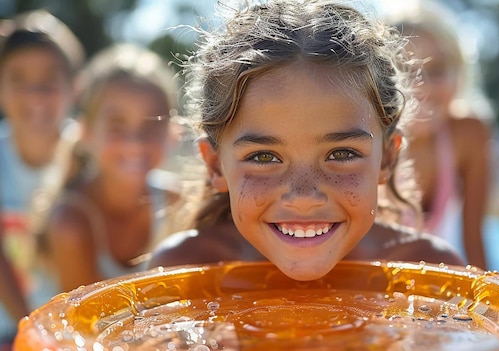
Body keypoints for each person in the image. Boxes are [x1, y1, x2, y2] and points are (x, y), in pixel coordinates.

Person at [148, 0, 464, 280]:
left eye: (341, 154)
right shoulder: (183, 273)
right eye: (263, 157)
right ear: (216, 165)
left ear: (388, 158)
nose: (303, 197)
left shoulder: (429, 275)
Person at [41, 43, 180, 293]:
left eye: (152, 124)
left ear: (173, 133)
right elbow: (87, 324)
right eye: (117, 125)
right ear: (85, 132)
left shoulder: (179, 203)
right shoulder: (70, 222)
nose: (135, 142)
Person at [380, 0, 493, 269]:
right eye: (403, 69)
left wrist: (493, 309)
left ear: (459, 74)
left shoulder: (468, 136)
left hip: (435, 299)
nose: (422, 86)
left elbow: (475, 243)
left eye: (437, 70)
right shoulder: (360, 140)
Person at [0, 10, 83, 347]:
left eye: (50, 79)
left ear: (74, 88)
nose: (35, 94)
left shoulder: (87, 154)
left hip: (74, 331)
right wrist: (28, 334)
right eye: (19, 78)